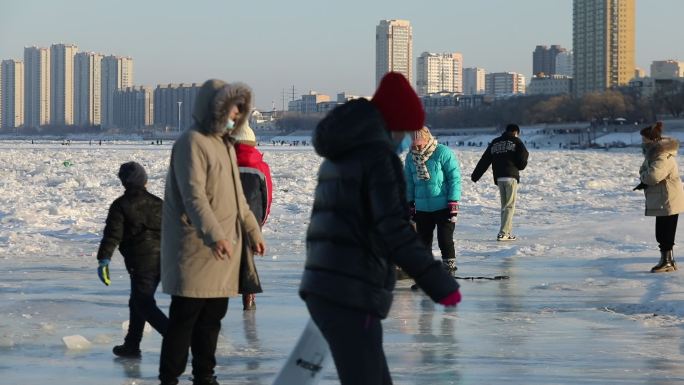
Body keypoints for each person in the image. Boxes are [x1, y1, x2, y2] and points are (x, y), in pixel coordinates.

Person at [299, 72, 461, 385]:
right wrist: (438, 282)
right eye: (404, 129)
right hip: (351, 290)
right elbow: (396, 230)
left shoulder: (339, 155)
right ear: (393, 124)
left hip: (327, 284)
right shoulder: (377, 158)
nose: (406, 138)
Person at [158, 79, 266, 385]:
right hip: (194, 249)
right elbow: (194, 197)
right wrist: (214, 235)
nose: (236, 114)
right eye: (233, 107)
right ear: (214, 107)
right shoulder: (191, 143)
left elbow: (238, 200)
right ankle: (169, 378)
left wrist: (253, 231)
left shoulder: (225, 145)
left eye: (239, 110)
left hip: (223, 252)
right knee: (184, 320)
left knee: (212, 320)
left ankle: (205, 376)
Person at [96, 161, 169, 358]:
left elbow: (112, 234)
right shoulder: (158, 203)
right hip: (164, 259)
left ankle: (173, 336)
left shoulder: (120, 205)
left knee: (143, 302)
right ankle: (132, 345)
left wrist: (104, 259)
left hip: (141, 262)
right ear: (144, 180)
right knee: (137, 300)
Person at [404, 126, 462, 273]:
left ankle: (449, 268)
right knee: (423, 242)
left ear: (427, 139)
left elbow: (454, 178)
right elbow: (409, 182)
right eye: (413, 144)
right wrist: (410, 203)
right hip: (422, 207)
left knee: (444, 239)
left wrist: (453, 201)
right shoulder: (410, 157)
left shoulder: (442, 152)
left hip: (443, 205)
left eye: (419, 143)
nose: (416, 147)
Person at [229, 119, 273, 310]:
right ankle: (249, 297)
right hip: (252, 219)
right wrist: (261, 221)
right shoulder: (261, 167)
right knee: (248, 258)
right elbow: (267, 197)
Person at [636, 121, 684, 273]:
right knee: (663, 232)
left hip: (667, 199)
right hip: (664, 199)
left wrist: (643, 174)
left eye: (644, 140)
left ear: (652, 140)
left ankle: (667, 262)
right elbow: (647, 172)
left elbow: (652, 177)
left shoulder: (662, 157)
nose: (642, 143)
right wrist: (645, 172)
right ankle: (668, 261)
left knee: (665, 233)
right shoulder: (656, 155)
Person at [470, 124, 529, 241]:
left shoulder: (495, 142)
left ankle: (507, 232)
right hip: (511, 177)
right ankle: (503, 233)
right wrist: (520, 166)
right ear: (516, 132)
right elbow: (524, 155)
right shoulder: (517, 141)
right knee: (509, 206)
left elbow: (485, 159)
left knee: (505, 206)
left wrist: (475, 176)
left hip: (499, 178)